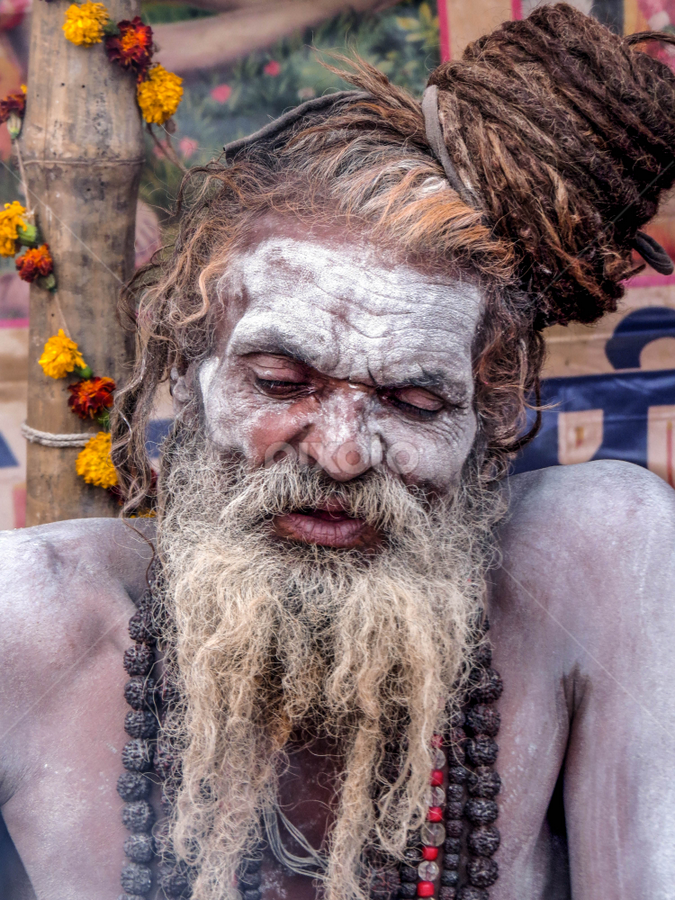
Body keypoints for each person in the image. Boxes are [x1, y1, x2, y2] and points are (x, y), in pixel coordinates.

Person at [2, 4, 675, 899]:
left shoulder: (591, 562)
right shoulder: (33, 619)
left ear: (490, 418)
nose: (343, 453)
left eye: (413, 399)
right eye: (281, 383)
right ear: (188, 369)